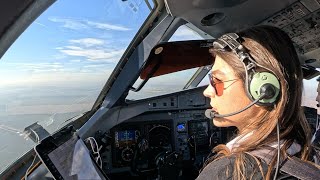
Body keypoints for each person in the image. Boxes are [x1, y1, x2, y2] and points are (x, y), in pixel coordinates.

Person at [197, 25, 320, 180]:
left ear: (263, 90)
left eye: (217, 80)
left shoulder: (228, 172)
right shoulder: (307, 152)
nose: (207, 91)